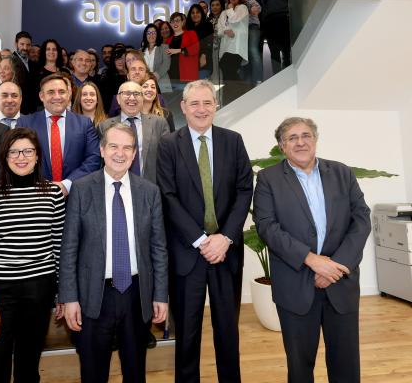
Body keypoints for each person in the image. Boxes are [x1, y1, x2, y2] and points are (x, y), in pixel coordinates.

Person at [253, 117, 371, 383]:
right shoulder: (269, 179)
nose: (300, 142)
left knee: (346, 363)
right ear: (282, 146)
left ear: (315, 140)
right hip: (295, 285)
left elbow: (361, 220)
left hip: (340, 281)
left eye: (306, 135)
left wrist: (336, 266)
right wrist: (312, 260)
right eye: (292, 138)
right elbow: (267, 226)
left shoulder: (342, 173)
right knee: (299, 366)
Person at [156, 80, 253, 383]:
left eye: (207, 102)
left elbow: (244, 190)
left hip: (226, 252)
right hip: (187, 253)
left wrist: (225, 237)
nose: (201, 109)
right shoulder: (168, 144)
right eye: (194, 103)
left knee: (228, 329)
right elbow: (167, 196)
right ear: (183, 107)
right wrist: (201, 241)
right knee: (187, 333)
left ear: (216, 106)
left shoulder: (233, 141)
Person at [59, 122, 168, 383]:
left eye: (127, 148)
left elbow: (158, 248)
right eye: (114, 146)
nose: (120, 153)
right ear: (102, 150)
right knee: (93, 374)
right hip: (94, 296)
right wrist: (69, 297)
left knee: (135, 372)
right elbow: (69, 248)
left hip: (137, 294)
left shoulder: (150, 192)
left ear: (134, 153)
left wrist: (160, 295)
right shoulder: (82, 189)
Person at [0, 128, 66, 383]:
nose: (20, 157)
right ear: (5, 157)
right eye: (13, 152)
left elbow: (58, 247)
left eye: (27, 151)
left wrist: (60, 292)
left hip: (39, 290)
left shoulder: (53, 194)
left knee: (28, 367)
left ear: (37, 156)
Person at [15, 73, 100, 197]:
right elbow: (18, 158)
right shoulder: (25, 123)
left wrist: (67, 184)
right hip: (36, 194)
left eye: (62, 92)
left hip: (76, 194)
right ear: (41, 96)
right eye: (51, 92)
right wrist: (43, 186)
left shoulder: (84, 123)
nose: (57, 96)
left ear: (69, 94)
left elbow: (94, 158)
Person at [98, 81, 169, 184]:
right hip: (115, 188)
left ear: (142, 98)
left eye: (136, 94)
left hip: (151, 188)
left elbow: (167, 161)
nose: (132, 98)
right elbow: (100, 163)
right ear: (118, 99)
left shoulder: (159, 123)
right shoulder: (104, 126)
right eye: (127, 93)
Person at [217, 0, 250, 105]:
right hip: (225, 48)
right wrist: (225, 31)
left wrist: (230, 9)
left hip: (237, 47)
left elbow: (234, 19)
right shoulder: (223, 13)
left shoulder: (243, 8)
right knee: (226, 74)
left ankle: (242, 94)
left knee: (228, 70)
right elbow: (219, 30)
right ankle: (230, 101)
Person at [166, 12, 200, 85]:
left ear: (182, 22)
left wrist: (178, 50)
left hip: (187, 74)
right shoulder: (168, 40)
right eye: (172, 21)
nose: (175, 23)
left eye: (177, 20)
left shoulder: (191, 34)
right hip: (172, 75)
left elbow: (195, 49)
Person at [11, 31, 38, 114]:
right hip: (17, 108)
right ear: (16, 44)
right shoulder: (10, 61)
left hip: (32, 109)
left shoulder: (33, 64)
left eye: (28, 45)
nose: (25, 48)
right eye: (22, 44)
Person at [186, 3, 214, 80]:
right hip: (190, 63)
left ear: (201, 13)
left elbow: (209, 42)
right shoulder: (188, 28)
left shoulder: (208, 25)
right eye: (193, 13)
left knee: (200, 85)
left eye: (197, 12)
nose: (195, 14)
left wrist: (204, 55)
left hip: (204, 62)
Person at [141, 23, 172, 93]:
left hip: (161, 83)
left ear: (157, 34)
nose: (151, 35)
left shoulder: (164, 47)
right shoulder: (140, 51)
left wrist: (154, 76)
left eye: (153, 33)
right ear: (145, 35)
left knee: (163, 100)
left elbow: (166, 64)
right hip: (144, 83)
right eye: (149, 33)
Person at [209, 0, 226, 85]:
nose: (214, 7)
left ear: (221, 6)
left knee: (223, 72)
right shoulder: (208, 21)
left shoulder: (226, 18)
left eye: (217, 5)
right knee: (214, 74)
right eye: (212, 5)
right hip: (212, 50)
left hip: (223, 49)